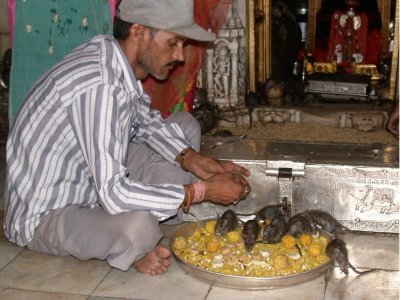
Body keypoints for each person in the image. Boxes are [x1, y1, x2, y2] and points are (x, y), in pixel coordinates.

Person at [4, 0, 251, 276]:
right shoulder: (102, 86)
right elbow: (113, 193)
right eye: (173, 43)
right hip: (50, 213)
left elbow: (142, 122)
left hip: (92, 179)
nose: (180, 55)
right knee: (139, 228)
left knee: (185, 126)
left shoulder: (113, 56)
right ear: (138, 33)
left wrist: (193, 160)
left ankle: (168, 207)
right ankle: (135, 244)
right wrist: (201, 191)